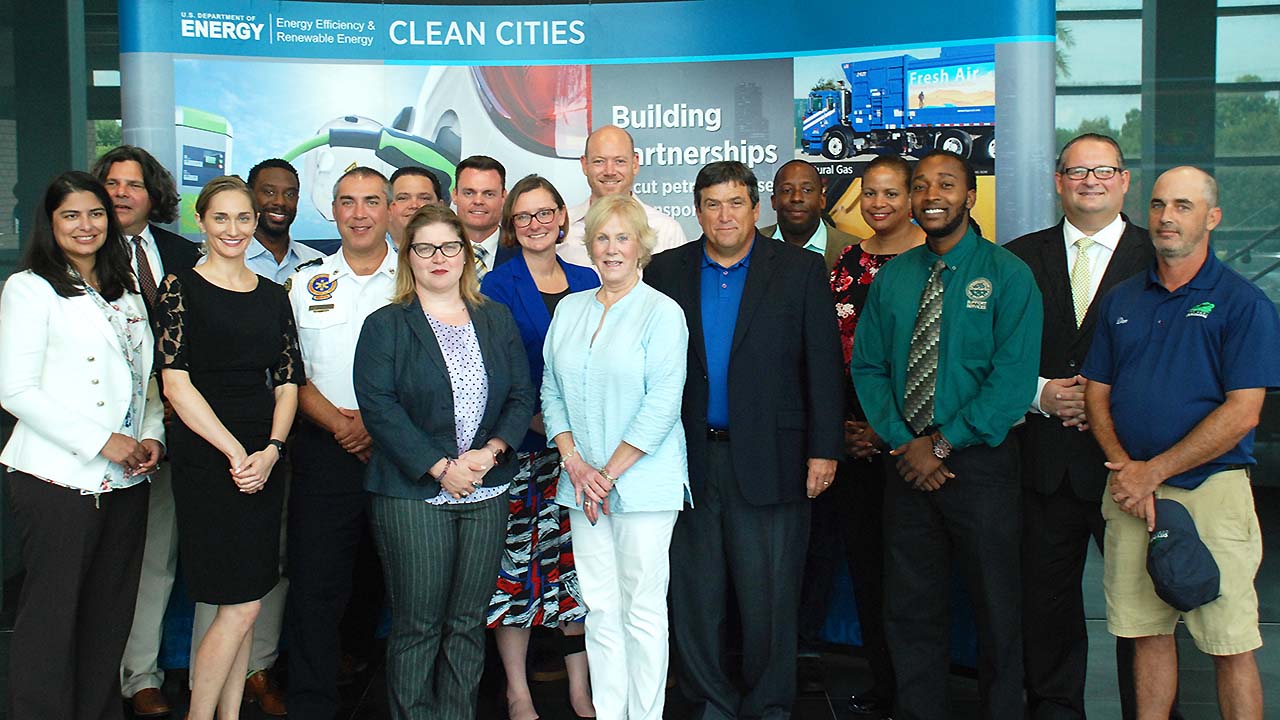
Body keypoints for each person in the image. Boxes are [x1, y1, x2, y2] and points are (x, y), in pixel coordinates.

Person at [645, 161, 845, 719]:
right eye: (712, 204)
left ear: (756, 208)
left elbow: (824, 367)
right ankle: (710, 699)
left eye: (735, 202)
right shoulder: (665, 270)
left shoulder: (800, 269)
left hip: (775, 458)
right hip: (685, 459)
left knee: (771, 598)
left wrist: (824, 449)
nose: (724, 215)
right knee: (695, 593)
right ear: (698, 210)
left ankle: (770, 703)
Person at [850, 150, 1042, 720]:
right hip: (905, 463)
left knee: (997, 608)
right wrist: (904, 442)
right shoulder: (896, 277)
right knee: (910, 610)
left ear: (970, 196)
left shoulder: (1007, 275)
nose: (933, 195)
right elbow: (869, 368)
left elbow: (1010, 385)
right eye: (923, 186)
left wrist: (940, 443)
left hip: (979, 468)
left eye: (947, 184)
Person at [1083, 166, 1279, 720]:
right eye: (1160, 205)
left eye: (1185, 206)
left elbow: (1244, 412)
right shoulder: (1123, 298)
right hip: (1130, 496)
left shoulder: (1244, 305)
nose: (1168, 217)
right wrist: (1127, 469)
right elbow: (1097, 392)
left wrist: (1155, 470)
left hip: (1210, 494)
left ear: (1212, 218)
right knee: (1145, 634)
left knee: (1230, 643)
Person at [354, 204, 534, 719]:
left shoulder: (494, 317)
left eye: (449, 247)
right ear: (409, 257)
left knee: (466, 621)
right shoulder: (387, 324)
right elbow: (379, 406)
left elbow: (521, 395)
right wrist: (440, 467)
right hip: (414, 495)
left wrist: (490, 453)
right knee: (419, 624)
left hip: (487, 490)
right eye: (425, 248)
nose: (438, 258)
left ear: (466, 255)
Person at [0, 171, 165, 720]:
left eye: (95, 213)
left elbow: (150, 384)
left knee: (108, 618)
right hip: (57, 479)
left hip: (127, 480)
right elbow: (15, 390)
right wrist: (103, 441)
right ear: (50, 223)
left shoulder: (127, 291)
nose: (86, 225)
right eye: (71, 215)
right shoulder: (31, 286)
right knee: (51, 618)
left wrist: (151, 436)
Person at [1004, 134, 1156, 720]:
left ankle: (1149, 710)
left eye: (1103, 170)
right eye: (1076, 171)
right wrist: (1040, 394)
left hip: (1129, 465)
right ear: (1058, 181)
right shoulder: (1019, 257)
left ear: (1124, 181)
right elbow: (990, 356)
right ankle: (1055, 708)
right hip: (1043, 462)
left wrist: (1100, 402)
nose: (1089, 181)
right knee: (1046, 605)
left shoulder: (1155, 257)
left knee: (1142, 608)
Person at [155, 175, 302, 720]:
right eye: (221, 218)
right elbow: (176, 383)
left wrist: (270, 450)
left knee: (252, 596)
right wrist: (235, 453)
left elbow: (288, 382)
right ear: (201, 221)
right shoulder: (180, 288)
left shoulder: (273, 296)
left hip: (263, 460)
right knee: (239, 605)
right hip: (208, 458)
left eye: (244, 218)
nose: (234, 229)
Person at [541, 194, 689, 719]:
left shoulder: (662, 312)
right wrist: (575, 465)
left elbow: (663, 404)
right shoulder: (570, 309)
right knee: (600, 607)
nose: (611, 249)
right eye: (602, 237)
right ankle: (610, 712)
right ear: (589, 245)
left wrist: (605, 473)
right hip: (580, 484)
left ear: (641, 246)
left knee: (643, 609)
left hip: (644, 485)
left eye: (622, 237)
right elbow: (551, 392)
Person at [480, 174, 601, 720]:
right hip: (523, 449)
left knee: (575, 569)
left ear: (561, 217)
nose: (535, 224)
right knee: (516, 570)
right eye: (523, 216)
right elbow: (495, 375)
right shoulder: (496, 286)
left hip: (584, 454)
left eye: (543, 213)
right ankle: (518, 690)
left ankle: (580, 687)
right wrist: (547, 426)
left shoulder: (588, 279)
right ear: (512, 226)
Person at [284, 166, 396, 719]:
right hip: (324, 453)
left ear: (391, 208)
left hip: (402, 453)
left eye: (371, 201)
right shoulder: (305, 283)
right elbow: (290, 373)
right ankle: (311, 703)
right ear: (332, 209)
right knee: (316, 585)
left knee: (405, 587)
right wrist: (341, 425)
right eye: (347, 202)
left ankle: (403, 700)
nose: (359, 213)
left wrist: (378, 424)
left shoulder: (417, 277)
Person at [92, 145, 200, 718]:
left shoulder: (184, 252)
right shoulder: (82, 255)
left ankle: (193, 672)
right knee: (130, 562)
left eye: (134, 184)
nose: (121, 193)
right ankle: (138, 678)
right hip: (118, 435)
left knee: (172, 557)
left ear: (152, 193)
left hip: (193, 426)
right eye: (111, 182)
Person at [825, 154, 925, 715]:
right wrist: (843, 430)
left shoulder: (931, 259)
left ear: (911, 197)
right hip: (852, 435)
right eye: (869, 193)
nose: (879, 204)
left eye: (890, 193)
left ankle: (916, 688)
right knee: (867, 566)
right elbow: (831, 348)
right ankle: (884, 681)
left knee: (911, 570)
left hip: (915, 440)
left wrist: (887, 432)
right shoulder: (847, 262)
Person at [558, 125, 688, 267]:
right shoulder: (561, 229)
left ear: (635, 164)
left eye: (619, 161)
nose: (609, 171)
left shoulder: (666, 230)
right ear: (584, 165)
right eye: (599, 161)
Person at [762, 158, 857, 270]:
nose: (797, 198)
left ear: (822, 200)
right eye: (787, 190)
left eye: (807, 190)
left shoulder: (854, 248)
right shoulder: (751, 245)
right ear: (774, 201)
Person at [243, 158, 325, 284]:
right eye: (269, 192)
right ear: (250, 196)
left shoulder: (319, 264)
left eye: (289, 194)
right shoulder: (224, 264)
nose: (280, 202)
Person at [452, 155, 517, 278]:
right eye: (469, 193)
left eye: (489, 194)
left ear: (504, 197)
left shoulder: (523, 253)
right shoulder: (432, 251)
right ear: (455, 195)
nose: (478, 201)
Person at [390, 165, 446, 244]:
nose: (414, 205)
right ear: (387, 207)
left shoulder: (457, 249)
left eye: (424, 198)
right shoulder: (370, 249)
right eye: (403, 198)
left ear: (440, 207)